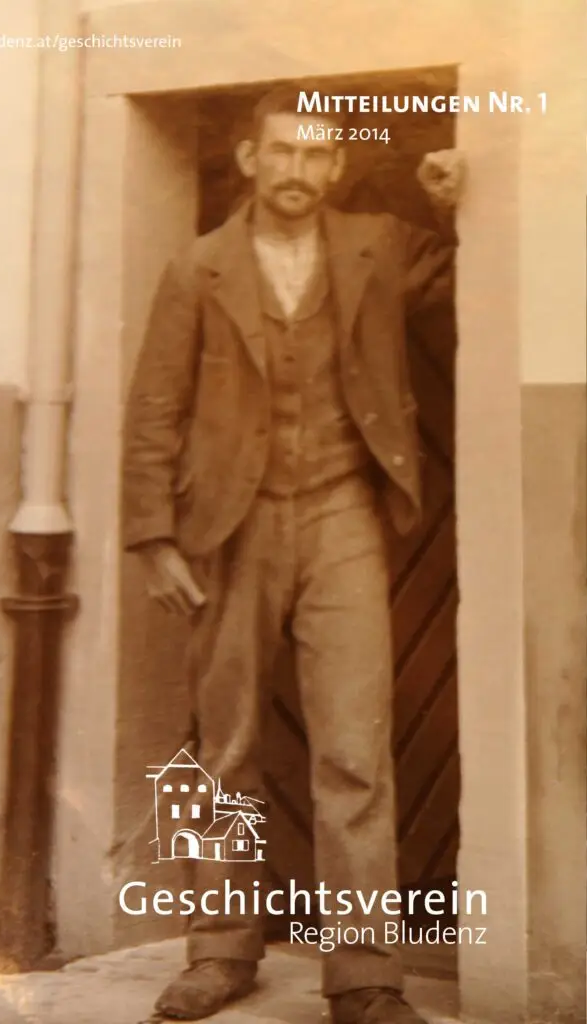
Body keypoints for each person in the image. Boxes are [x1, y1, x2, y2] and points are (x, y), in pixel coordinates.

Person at [122, 84, 464, 1024]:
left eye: (316, 155)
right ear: (249, 159)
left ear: (337, 167)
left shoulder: (376, 246)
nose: (297, 171)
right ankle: (218, 950)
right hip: (227, 525)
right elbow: (154, 407)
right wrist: (153, 536)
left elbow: (467, 274)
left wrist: (448, 203)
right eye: (282, 152)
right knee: (225, 746)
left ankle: (363, 975)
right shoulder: (198, 268)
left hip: (344, 514)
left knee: (355, 750)